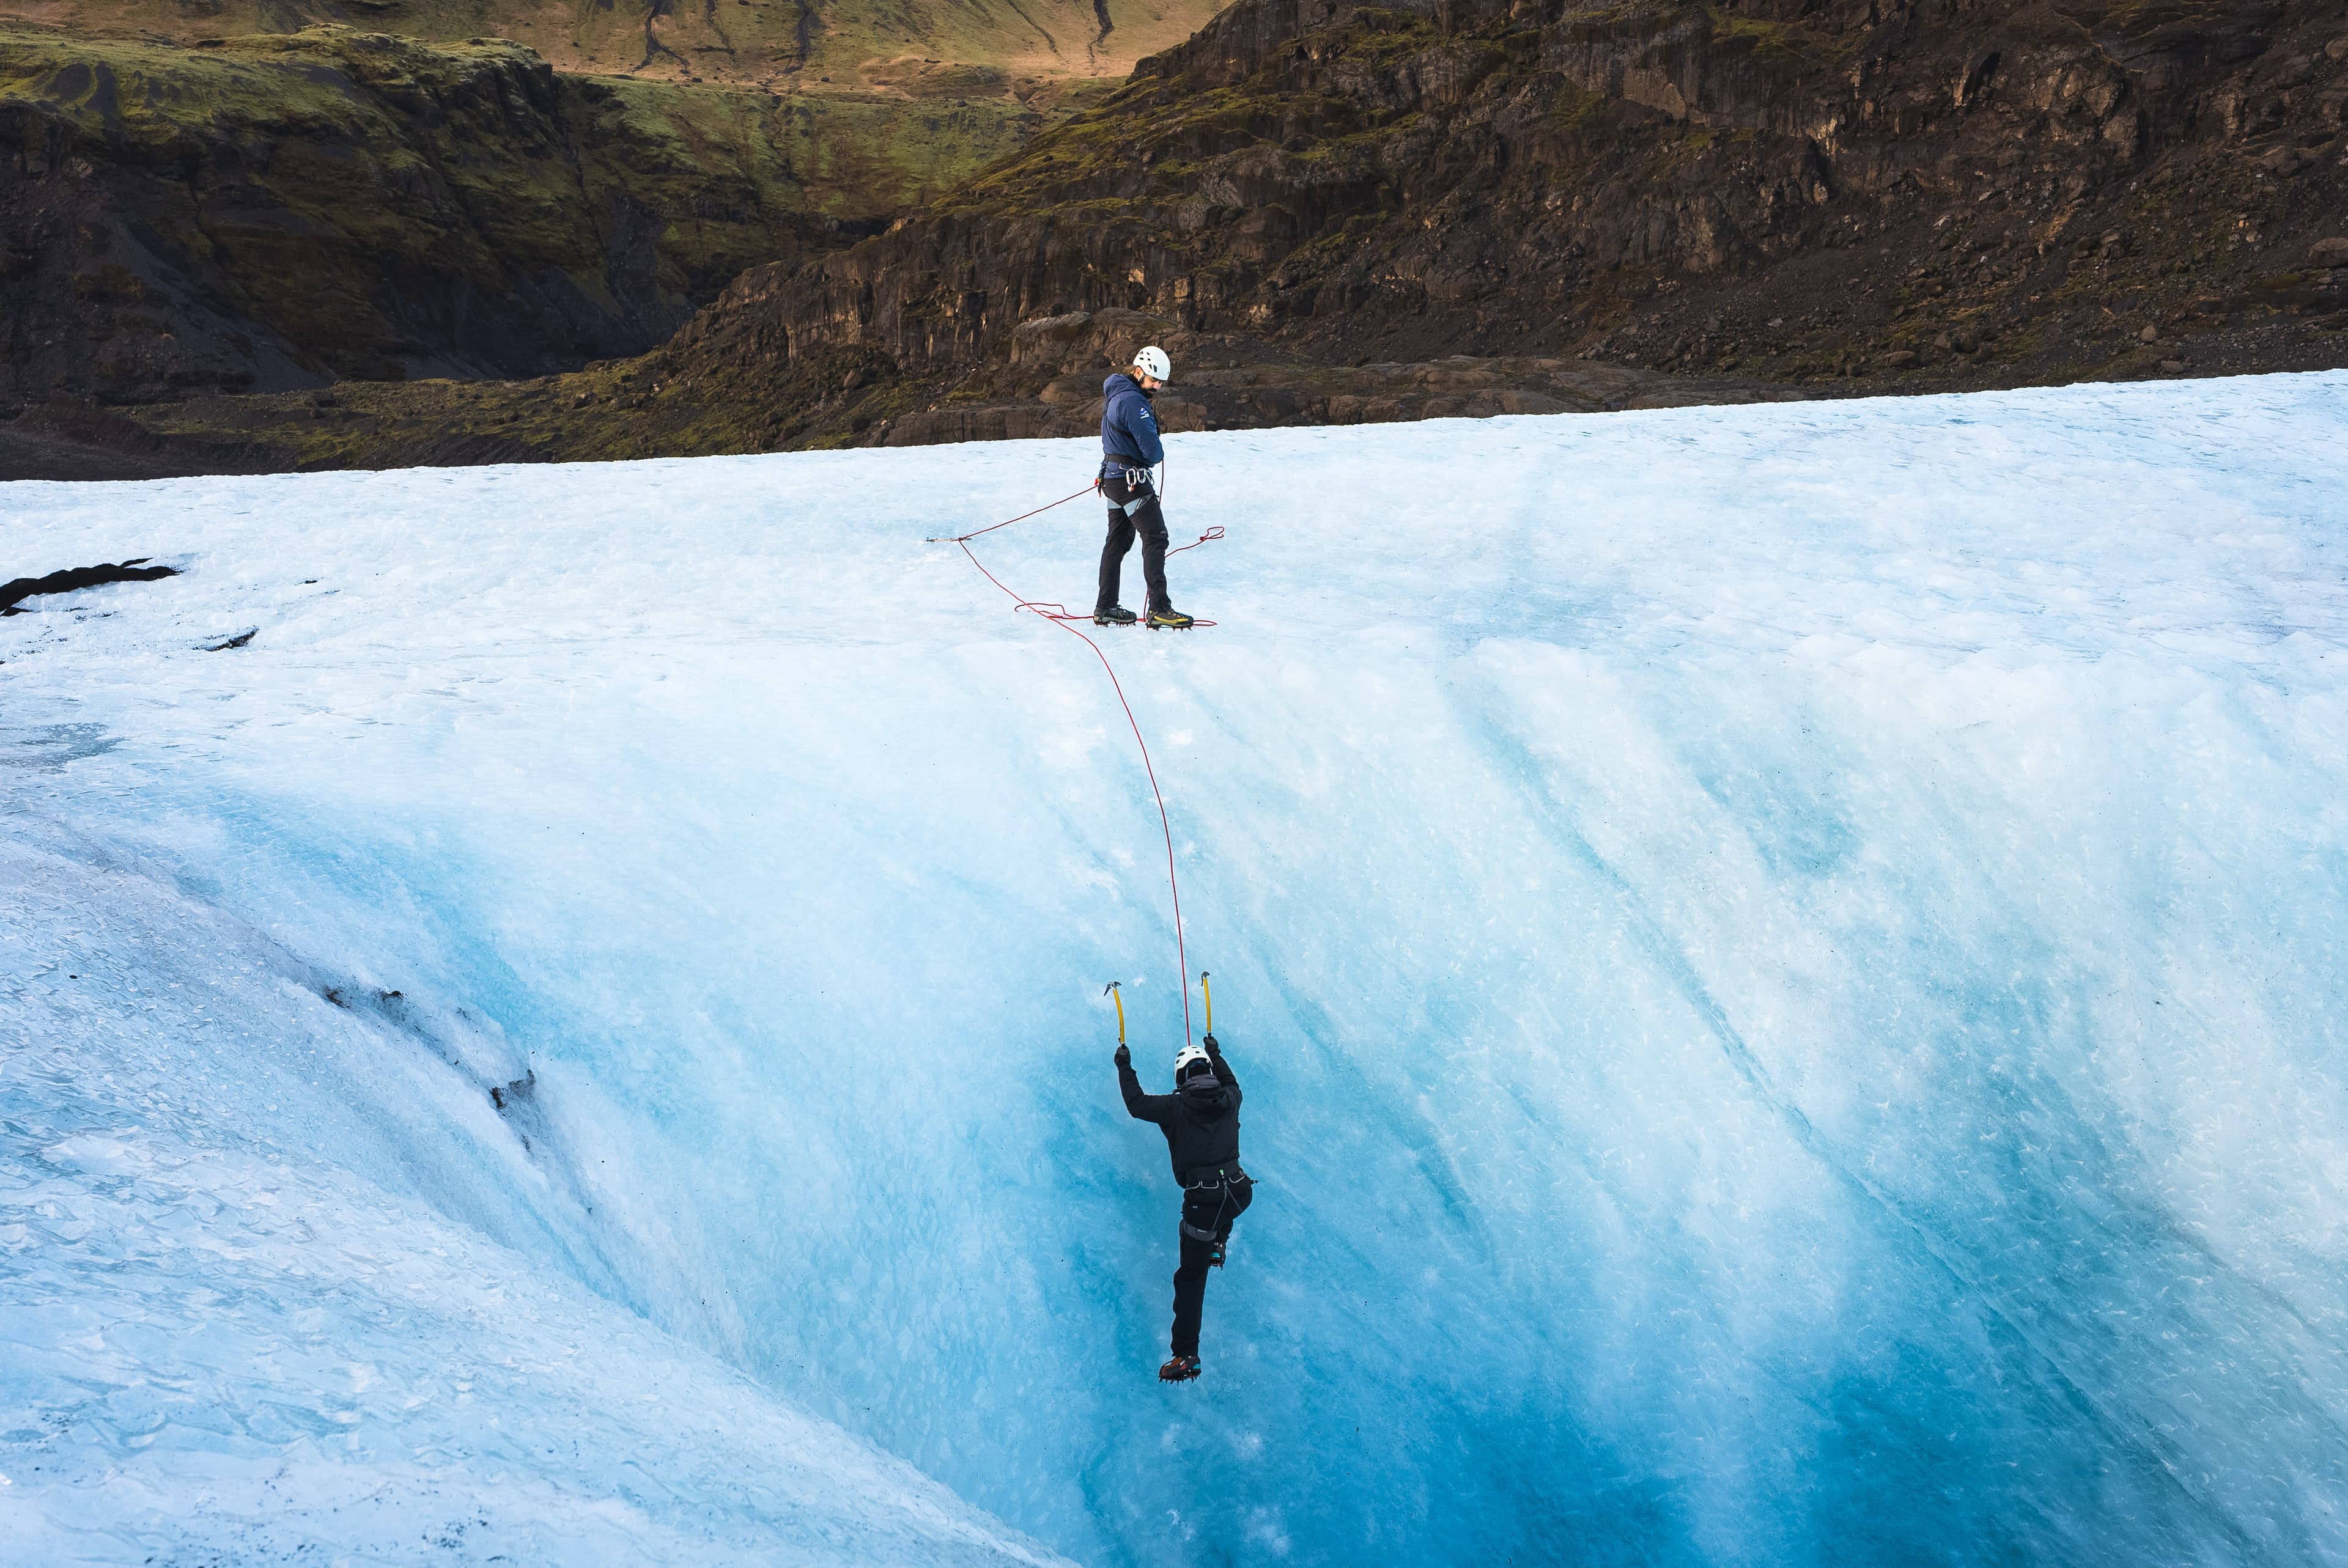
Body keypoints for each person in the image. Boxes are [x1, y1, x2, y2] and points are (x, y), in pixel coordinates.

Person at [1116, 1031, 1252, 1382]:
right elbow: (1230, 1080)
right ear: (1208, 1070)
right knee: (1222, 1210)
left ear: (1181, 1080)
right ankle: (1218, 1245)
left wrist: (1124, 1065)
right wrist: (1216, 1052)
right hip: (1238, 1194)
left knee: (1190, 1279)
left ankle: (1186, 1355)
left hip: (1204, 1202)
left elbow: (1136, 1103)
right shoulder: (1231, 1098)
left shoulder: (1174, 1107)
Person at [1095, 345, 1194, 630]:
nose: (1157, 387)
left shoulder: (1118, 394)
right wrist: (1155, 451)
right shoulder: (1133, 402)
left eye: (1161, 382)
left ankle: (1105, 607)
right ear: (1138, 372)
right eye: (1153, 380)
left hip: (1113, 479)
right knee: (1156, 536)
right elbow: (1152, 451)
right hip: (1131, 482)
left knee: (1118, 541)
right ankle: (1160, 609)